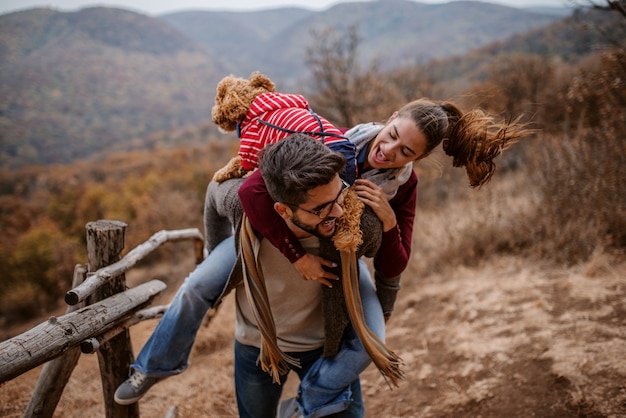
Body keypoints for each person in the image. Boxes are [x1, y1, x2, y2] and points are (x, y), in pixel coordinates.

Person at [115, 134, 390, 418]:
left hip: (326, 350)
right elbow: (214, 191)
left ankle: (302, 405)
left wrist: (390, 225)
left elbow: (388, 261)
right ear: (282, 210)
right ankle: (154, 366)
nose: (339, 211)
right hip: (257, 347)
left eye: (339, 195)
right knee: (195, 285)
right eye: (320, 208)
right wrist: (217, 249)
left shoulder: (350, 226)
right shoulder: (244, 212)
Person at [239, 98, 533, 319]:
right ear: (390, 118)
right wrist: (298, 256)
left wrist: (389, 221)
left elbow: (396, 264)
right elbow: (251, 190)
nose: (389, 151)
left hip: (346, 261)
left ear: (421, 156)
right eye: (392, 135)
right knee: (205, 285)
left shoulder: (403, 185)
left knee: (372, 332)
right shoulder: (331, 142)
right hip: (281, 250)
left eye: (406, 152)